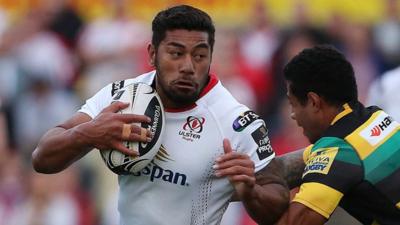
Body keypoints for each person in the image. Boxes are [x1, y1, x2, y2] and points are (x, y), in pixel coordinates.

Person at [32, 5, 289, 225]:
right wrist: (88, 134)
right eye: (176, 54)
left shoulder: (235, 120)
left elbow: (278, 201)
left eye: (200, 55)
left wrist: (251, 192)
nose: (188, 66)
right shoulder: (123, 96)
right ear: (152, 54)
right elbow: (42, 158)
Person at [274, 45, 400, 225]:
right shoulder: (375, 117)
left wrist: (249, 193)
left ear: (313, 102)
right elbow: (284, 167)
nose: (292, 114)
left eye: (293, 104)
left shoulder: (338, 151)